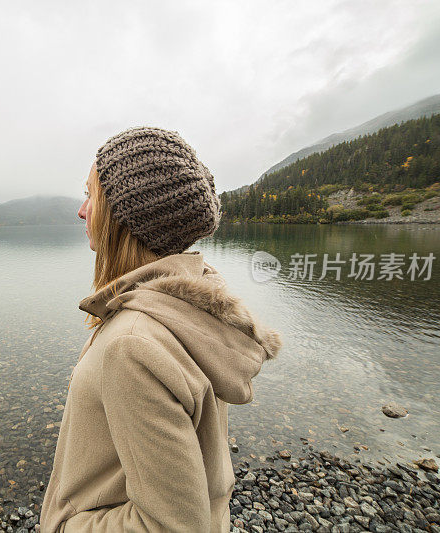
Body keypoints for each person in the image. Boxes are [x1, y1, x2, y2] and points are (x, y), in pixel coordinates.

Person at [38, 126, 283, 532]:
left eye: (91, 195)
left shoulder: (133, 344)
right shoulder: (190, 311)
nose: (81, 210)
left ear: (124, 215)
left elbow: (169, 526)